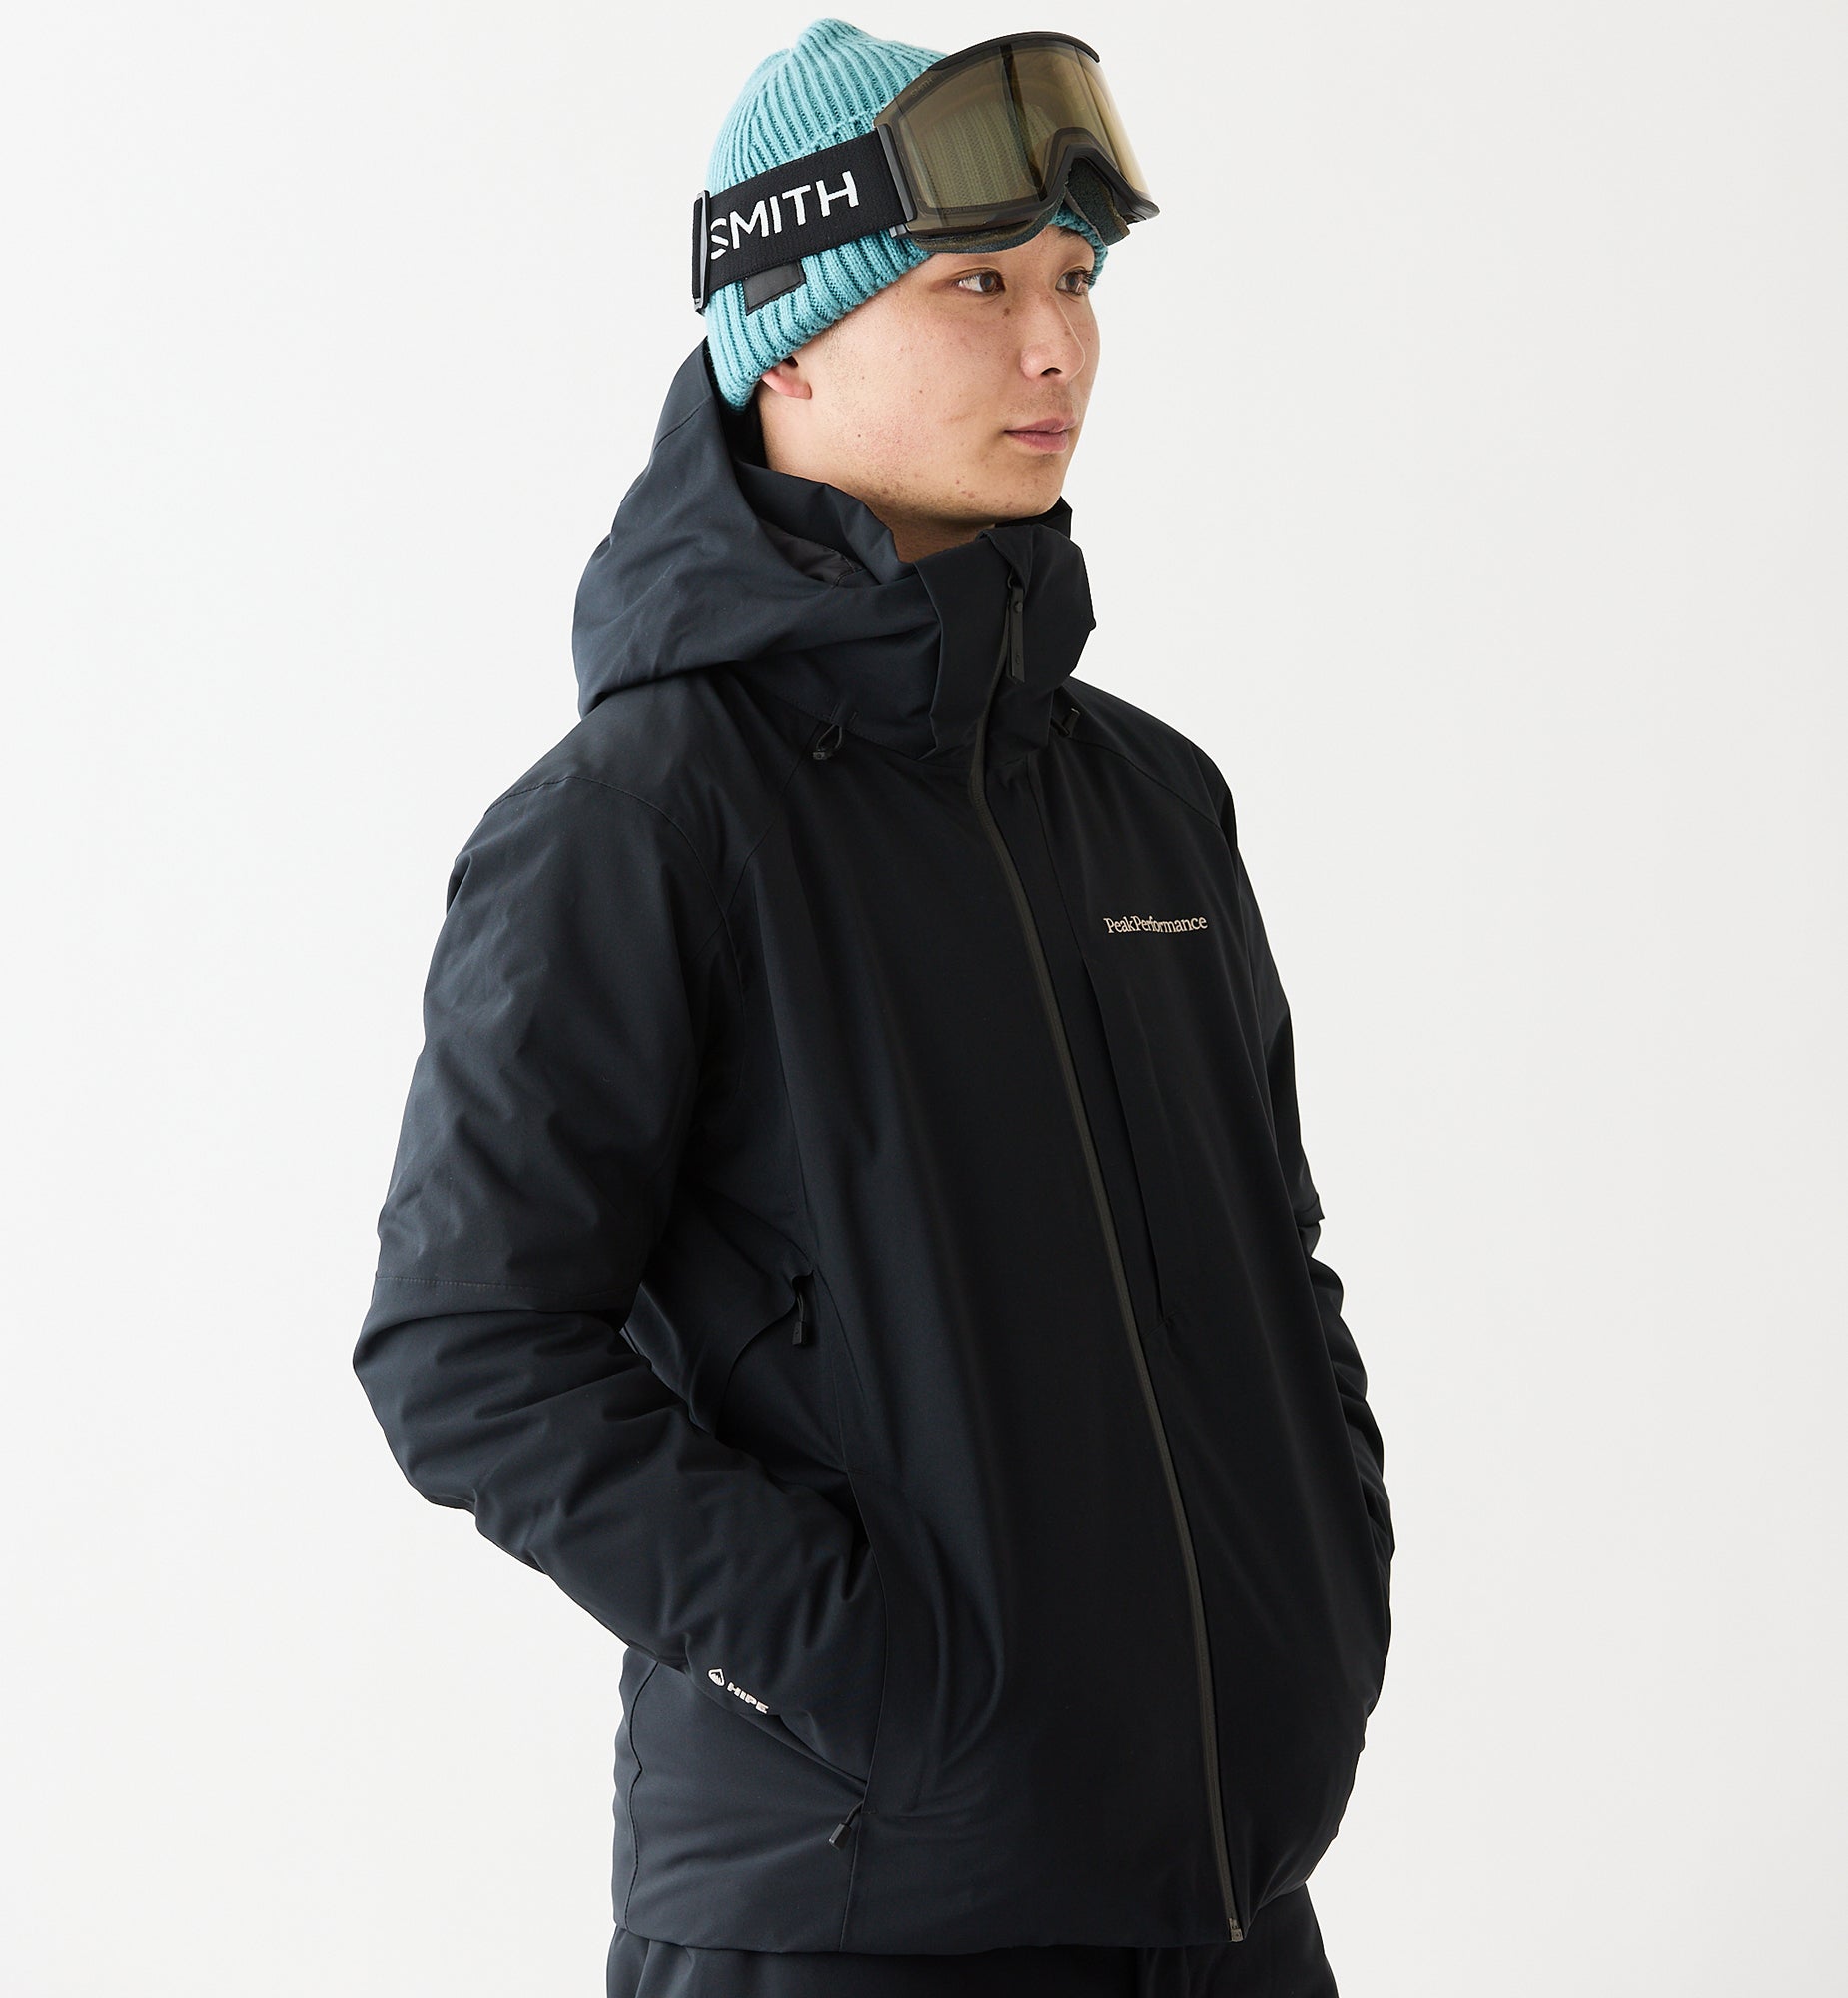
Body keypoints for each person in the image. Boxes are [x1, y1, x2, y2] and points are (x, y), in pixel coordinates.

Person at [353, 19, 1394, 1997]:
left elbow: (1276, 1252)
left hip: (1225, 1898)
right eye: (976, 287)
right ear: (786, 340)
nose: (1055, 347)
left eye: (1075, 280)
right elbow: (467, 1345)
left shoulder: (1147, 797)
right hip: (860, 1916)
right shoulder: (642, 817)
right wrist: (883, 1675)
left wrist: (1316, 1592)